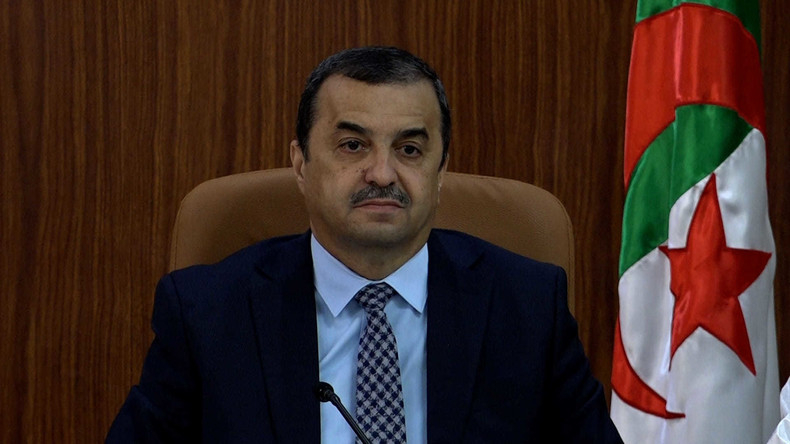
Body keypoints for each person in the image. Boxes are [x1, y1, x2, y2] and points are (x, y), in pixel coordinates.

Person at [107, 46, 622, 443]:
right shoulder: (207, 314)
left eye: (409, 149)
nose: (382, 173)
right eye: (353, 145)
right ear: (301, 164)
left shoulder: (528, 308)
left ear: (441, 171)